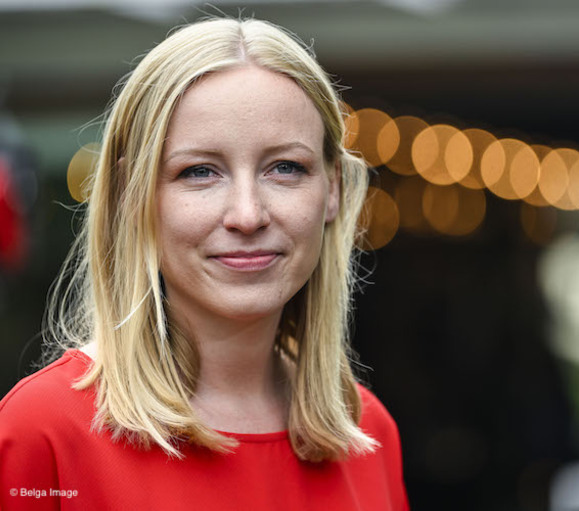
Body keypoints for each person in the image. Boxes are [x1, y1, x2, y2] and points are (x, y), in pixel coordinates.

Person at [0, 17, 408, 510]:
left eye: (285, 168)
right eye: (199, 172)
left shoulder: (367, 431)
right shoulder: (43, 431)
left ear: (333, 187)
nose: (247, 215)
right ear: (131, 194)